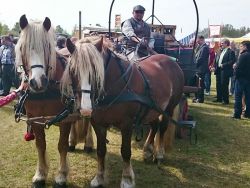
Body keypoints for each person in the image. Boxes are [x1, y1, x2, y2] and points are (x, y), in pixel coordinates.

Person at [213, 39, 236, 104]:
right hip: (219, 70)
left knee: (224, 85)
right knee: (218, 84)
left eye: (222, 43)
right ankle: (219, 98)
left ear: (226, 44)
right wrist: (214, 66)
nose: (221, 44)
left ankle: (225, 100)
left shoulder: (231, 51)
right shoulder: (221, 50)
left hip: (225, 70)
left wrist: (224, 65)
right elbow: (217, 59)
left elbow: (232, 61)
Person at [232, 41, 250, 119]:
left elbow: (238, 68)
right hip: (248, 79)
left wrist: (235, 67)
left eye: (241, 46)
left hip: (241, 79)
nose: (240, 47)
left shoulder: (243, 55)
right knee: (248, 97)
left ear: (245, 46)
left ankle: (237, 114)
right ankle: (248, 113)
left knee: (238, 97)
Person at [193, 35, 209, 103]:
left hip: (201, 69)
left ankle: (200, 99)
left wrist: (195, 64)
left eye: (198, 40)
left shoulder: (204, 48)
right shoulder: (200, 47)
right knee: (197, 84)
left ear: (201, 39)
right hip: (198, 68)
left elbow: (201, 58)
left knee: (200, 84)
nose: (197, 41)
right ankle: (197, 97)